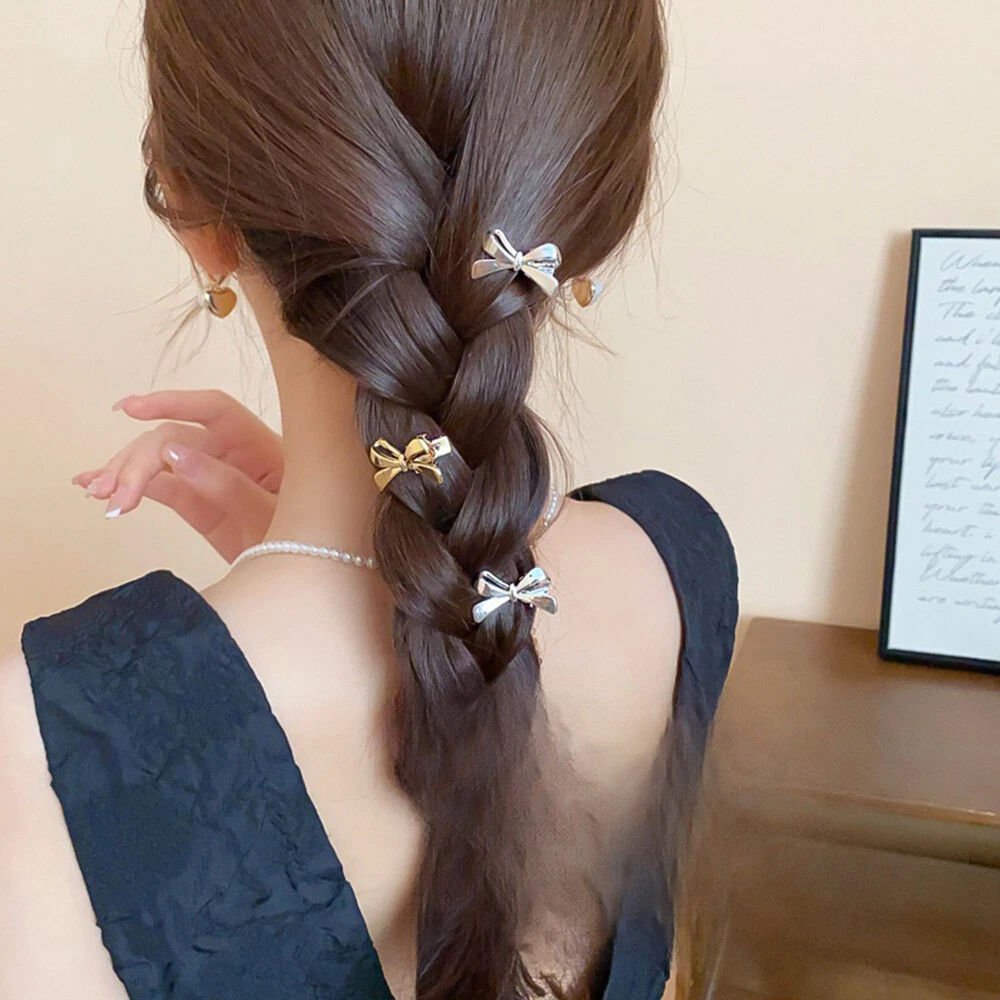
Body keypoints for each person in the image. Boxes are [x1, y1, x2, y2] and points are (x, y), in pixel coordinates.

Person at [0, 1, 739, 998]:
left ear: (189, 206)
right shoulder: (678, 560)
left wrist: (285, 594)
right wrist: (381, 547)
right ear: (595, 207)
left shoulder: (46, 746)